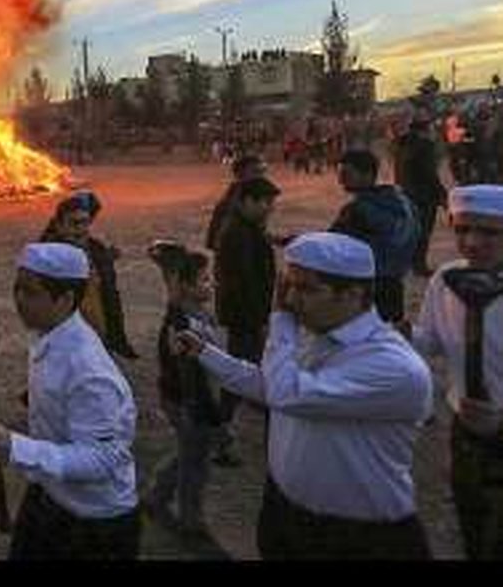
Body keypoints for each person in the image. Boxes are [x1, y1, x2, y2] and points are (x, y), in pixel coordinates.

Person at [177, 232, 434, 560]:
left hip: (358, 535)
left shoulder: (393, 367)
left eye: (306, 289)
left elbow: (287, 393)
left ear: (353, 294)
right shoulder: (317, 333)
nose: (291, 300)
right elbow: (271, 385)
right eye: (288, 287)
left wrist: (280, 322)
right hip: (285, 514)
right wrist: (206, 353)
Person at [0, 242, 140, 560]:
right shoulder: (47, 332)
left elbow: (103, 458)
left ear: (66, 299)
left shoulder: (89, 370)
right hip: (51, 493)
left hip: (94, 522)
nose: (19, 301)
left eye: (31, 292)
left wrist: (16, 448)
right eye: (17, 289)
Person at [411, 185, 503, 559]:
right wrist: (397, 335)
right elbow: (430, 342)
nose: (472, 242)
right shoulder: (447, 280)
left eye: (489, 232)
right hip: (466, 432)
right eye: (462, 230)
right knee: (473, 525)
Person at [145, 241, 226, 555]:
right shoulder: (183, 324)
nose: (212, 284)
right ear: (186, 286)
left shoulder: (191, 313)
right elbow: (192, 379)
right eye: (205, 280)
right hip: (188, 402)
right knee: (196, 464)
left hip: (185, 399)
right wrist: (212, 416)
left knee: (188, 452)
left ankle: (157, 496)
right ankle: (191, 519)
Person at [213, 176, 280, 466]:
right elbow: (244, 283)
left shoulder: (246, 228)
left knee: (239, 376)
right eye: (263, 202)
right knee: (245, 378)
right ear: (245, 201)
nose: (269, 208)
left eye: (271, 203)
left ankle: (220, 435)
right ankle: (221, 438)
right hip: (245, 316)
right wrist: (259, 319)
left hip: (246, 315)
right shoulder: (237, 233)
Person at [41, 191, 139, 359]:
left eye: (85, 223)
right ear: (59, 225)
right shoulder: (49, 259)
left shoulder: (95, 249)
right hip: (69, 347)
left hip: (99, 339)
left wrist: (107, 258)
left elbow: (108, 297)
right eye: (74, 223)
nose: (81, 229)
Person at [330, 149, 419, 326]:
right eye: (339, 174)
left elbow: (330, 243)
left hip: (366, 285)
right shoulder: (402, 201)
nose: (340, 180)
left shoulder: (356, 210)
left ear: (368, 175)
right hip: (394, 282)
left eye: (346, 174)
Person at [394, 114, 447, 276]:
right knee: (423, 231)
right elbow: (429, 173)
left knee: (412, 230)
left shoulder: (402, 144)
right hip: (424, 195)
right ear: (425, 129)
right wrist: (442, 194)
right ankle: (419, 265)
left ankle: (410, 262)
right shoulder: (425, 146)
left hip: (406, 192)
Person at [204, 154, 268, 252]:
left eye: (262, 171)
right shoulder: (233, 200)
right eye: (256, 171)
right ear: (241, 174)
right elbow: (215, 241)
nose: (262, 176)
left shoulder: (253, 195)